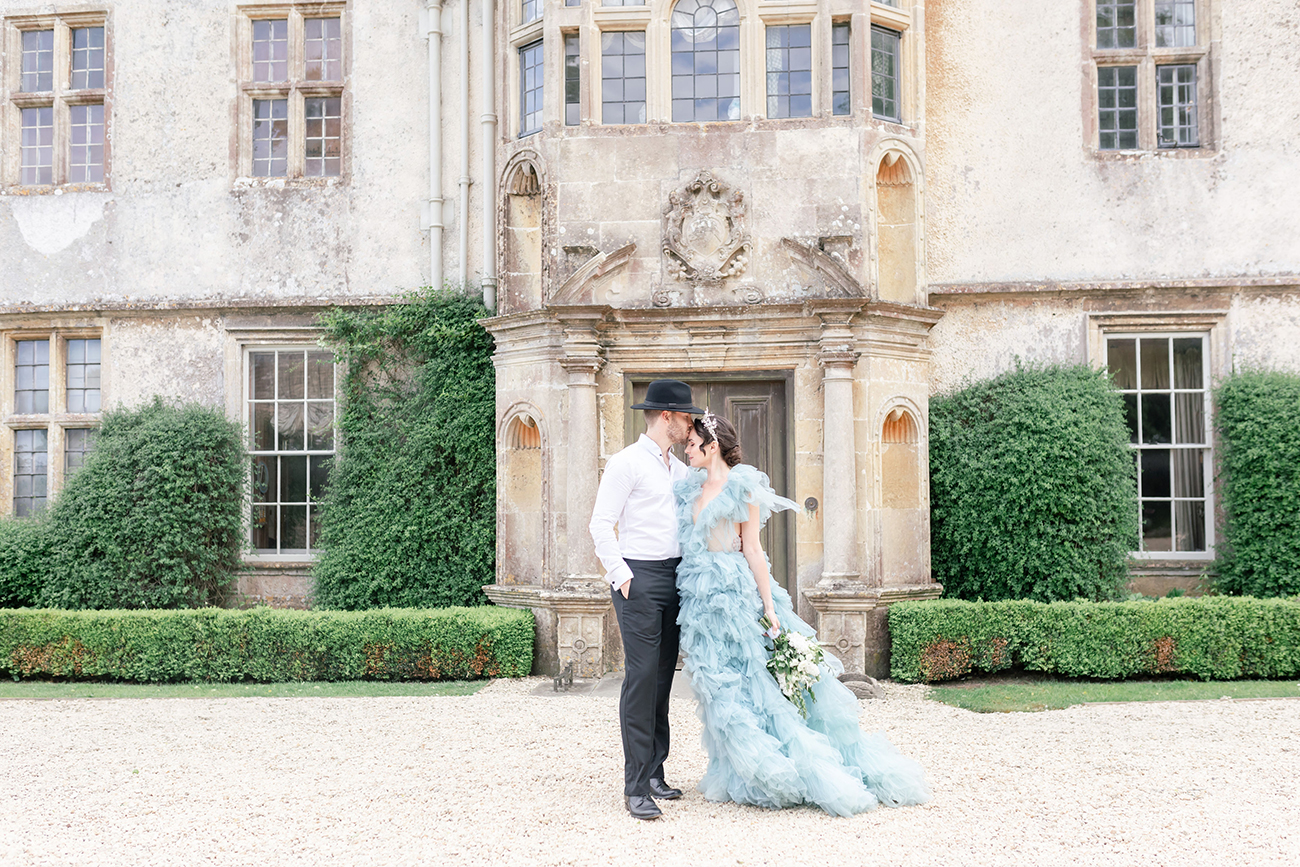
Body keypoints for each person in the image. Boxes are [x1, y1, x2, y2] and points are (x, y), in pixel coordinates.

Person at [675, 411, 932, 816]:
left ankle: (781, 767)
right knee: (714, 682)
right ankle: (734, 770)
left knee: (751, 681)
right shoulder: (688, 488)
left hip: (733, 593)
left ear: (712, 445)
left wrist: (770, 606)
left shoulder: (741, 487)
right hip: (698, 595)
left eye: (691, 443)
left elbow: (753, 551)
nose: (685, 449)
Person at [589, 379, 706, 821]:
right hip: (638, 579)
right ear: (665, 417)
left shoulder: (677, 468)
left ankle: (655, 771)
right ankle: (635, 787)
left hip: (675, 578)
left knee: (661, 680)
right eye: (686, 416)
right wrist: (623, 578)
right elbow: (601, 525)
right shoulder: (626, 463)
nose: (690, 423)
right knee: (640, 681)